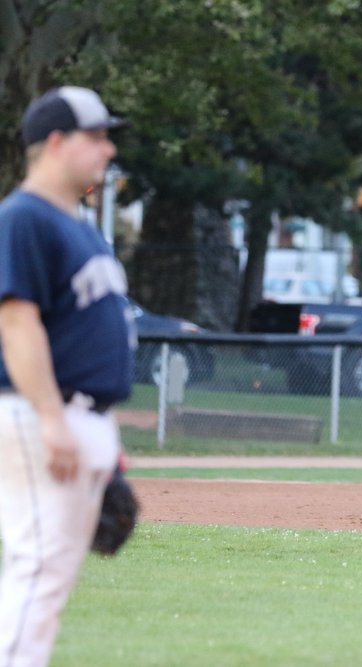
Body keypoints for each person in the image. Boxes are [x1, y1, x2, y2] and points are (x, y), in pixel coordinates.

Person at [0, 86, 133, 666]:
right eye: (97, 136)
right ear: (56, 142)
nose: (108, 149)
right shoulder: (24, 217)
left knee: (50, 578)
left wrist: (106, 442)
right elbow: (17, 323)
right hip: (42, 414)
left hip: (81, 415)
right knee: (38, 569)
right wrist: (53, 420)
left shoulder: (78, 225)